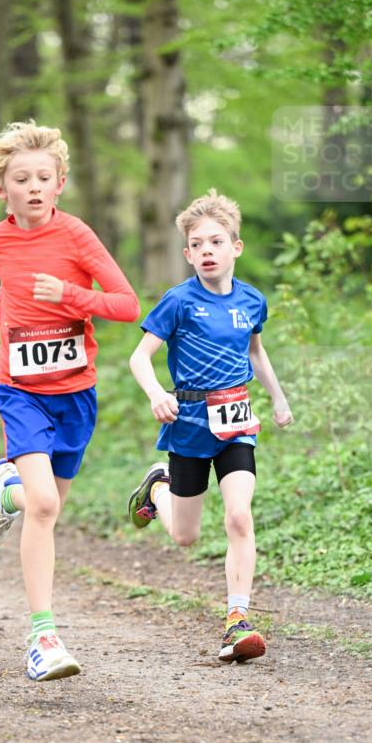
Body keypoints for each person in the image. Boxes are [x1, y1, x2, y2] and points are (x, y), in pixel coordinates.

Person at [0, 121, 139, 681]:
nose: (34, 187)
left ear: (60, 183)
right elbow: (10, 285)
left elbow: (127, 304)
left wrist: (70, 294)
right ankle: (42, 637)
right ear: (2, 188)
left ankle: (5, 493)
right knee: (43, 506)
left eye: (44, 177)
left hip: (75, 395)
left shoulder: (77, 236)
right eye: (22, 179)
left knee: (48, 508)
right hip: (20, 391)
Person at [127, 189, 293, 665]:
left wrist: (278, 398)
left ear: (235, 247)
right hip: (189, 423)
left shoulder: (252, 300)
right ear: (187, 254)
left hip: (237, 422)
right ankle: (157, 489)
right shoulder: (178, 301)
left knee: (239, 516)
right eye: (197, 245)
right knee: (185, 536)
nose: (207, 251)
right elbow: (139, 357)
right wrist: (157, 394)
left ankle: (237, 620)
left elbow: (255, 352)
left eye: (216, 242)